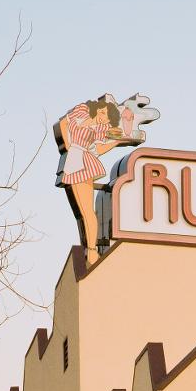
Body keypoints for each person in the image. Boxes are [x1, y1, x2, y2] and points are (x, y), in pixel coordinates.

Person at [57, 98, 126, 265]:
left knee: (86, 210)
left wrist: (116, 141)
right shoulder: (82, 113)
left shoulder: (99, 129)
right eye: (103, 111)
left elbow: (98, 148)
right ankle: (91, 248)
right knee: (82, 210)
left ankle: (92, 249)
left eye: (107, 116)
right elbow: (62, 125)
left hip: (83, 162)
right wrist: (68, 147)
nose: (103, 117)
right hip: (75, 159)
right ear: (98, 109)